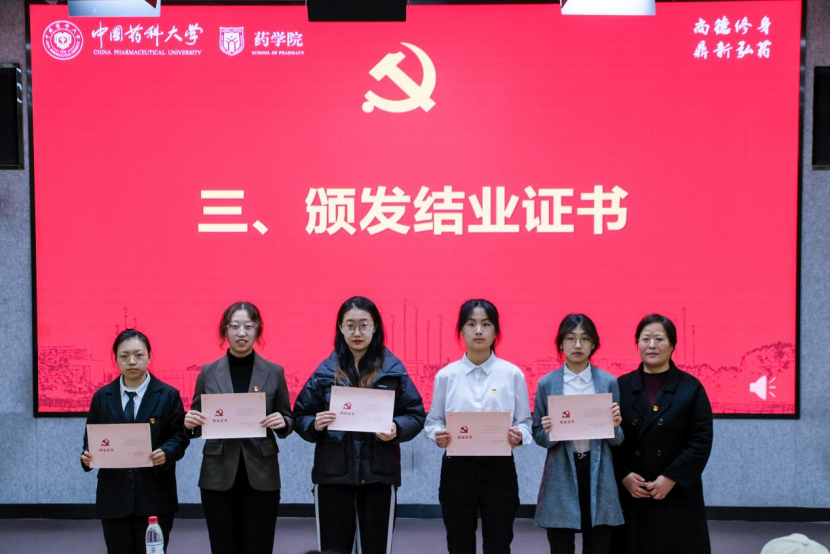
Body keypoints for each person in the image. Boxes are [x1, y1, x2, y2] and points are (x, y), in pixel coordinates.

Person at [293, 296, 426, 555]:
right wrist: (315, 424)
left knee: (376, 548)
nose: (357, 332)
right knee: (332, 549)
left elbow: (415, 414)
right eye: (350, 325)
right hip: (332, 474)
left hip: (379, 474)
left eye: (364, 325)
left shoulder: (393, 370)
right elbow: (301, 415)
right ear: (340, 328)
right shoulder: (325, 371)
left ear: (375, 327)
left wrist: (396, 428)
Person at [184, 302, 295, 555]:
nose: (241, 333)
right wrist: (190, 424)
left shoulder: (274, 371)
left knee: (259, 545)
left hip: (262, 473)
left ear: (258, 330)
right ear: (225, 330)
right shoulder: (208, 372)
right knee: (223, 545)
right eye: (234, 326)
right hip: (218, 473)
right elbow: (196, 422)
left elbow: (288, 417)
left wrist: (284, 422)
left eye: (248, 326)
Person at [425, 299, 533, 555]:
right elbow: (434, 421)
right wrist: (436, 435)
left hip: (499, 469)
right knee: (459, 541)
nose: (478, 331)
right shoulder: (446, 376)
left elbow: (525, 422)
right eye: (471, 324)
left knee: (499, 541)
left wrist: (519, 435)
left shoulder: (512, 374)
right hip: (457, 469)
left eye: (486, 324)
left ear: (496, 331)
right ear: (461, 331)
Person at [81, 329, 189, 554]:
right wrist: (87, 456)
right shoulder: (102, 397)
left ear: (149, 357)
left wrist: (167, 452)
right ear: (116, 359)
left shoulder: (168, 395)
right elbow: (90, 439)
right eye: (124, 356)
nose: (131, 361)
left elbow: (180, 436)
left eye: (139, 355)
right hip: (114, 496)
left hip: (155, 494)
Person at [614, 314, 714, 554]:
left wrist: (671, 477)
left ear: (672, 345)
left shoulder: (691, 388)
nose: (652, 345)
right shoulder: (620, 386)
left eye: (659, 339)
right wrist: (623, 475)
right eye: (645, 339)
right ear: (637, 343)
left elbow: (700, 441)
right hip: (633, 492)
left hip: (675, 493)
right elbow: (608, 439)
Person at [532, 314, 624, 555]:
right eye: (571, 338)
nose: (577, 345)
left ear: (594, 344)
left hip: (598, 471)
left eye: (584, 339)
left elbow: (618, 440)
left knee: (598, 544)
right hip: (561, 472)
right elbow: (538, 436)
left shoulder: (608, 382)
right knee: (560, 546)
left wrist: (615, 426)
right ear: (561, 344)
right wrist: (550, 431)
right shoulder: (547, 383)